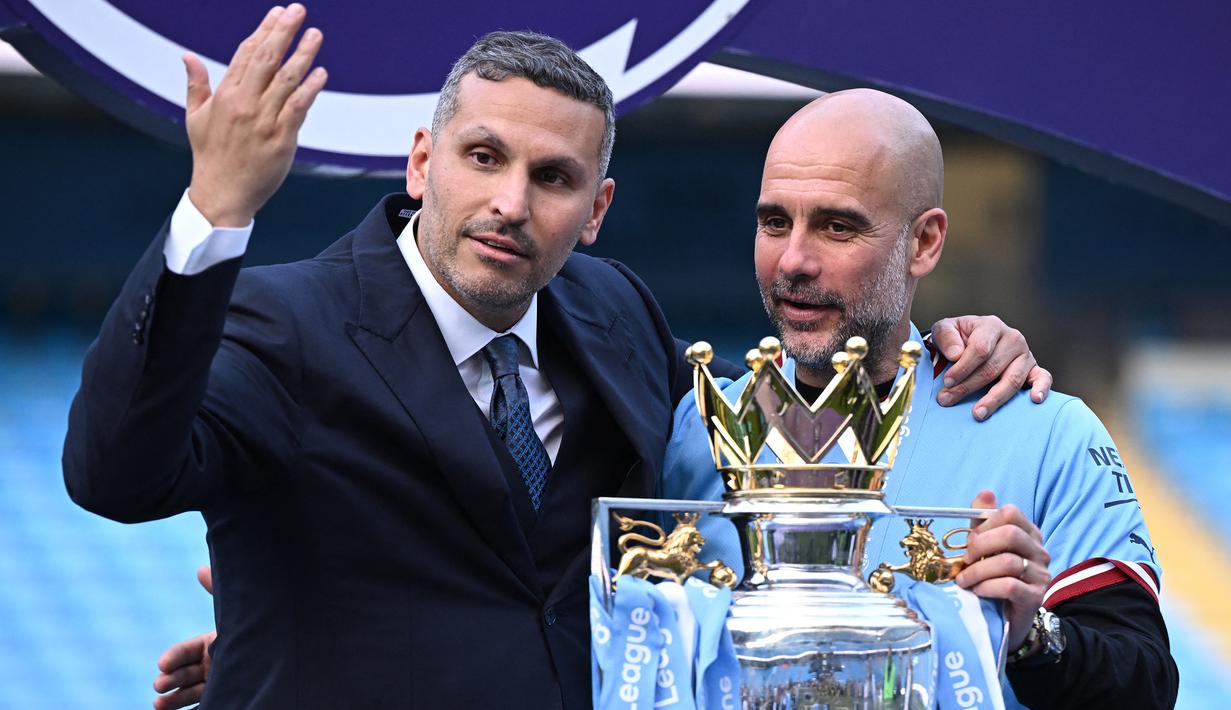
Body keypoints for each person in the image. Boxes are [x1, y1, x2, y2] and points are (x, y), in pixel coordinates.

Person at [62, 7, 1050, 708]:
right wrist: (216, 209)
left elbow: (762, 424)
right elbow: (114, 471)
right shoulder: (284, 326)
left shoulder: (614, 310)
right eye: (482, 157)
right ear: (421, 162)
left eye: (553, 176)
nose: (509, 201)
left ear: (596, 211)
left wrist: (937, 341)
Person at [662, 89, 1179, 708]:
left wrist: (1030, 636)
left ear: (924, 243)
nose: (794, 260)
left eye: (837, 226)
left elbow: (1144, 683)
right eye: (775, 221)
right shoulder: (691, 429)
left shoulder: (1049, 436)